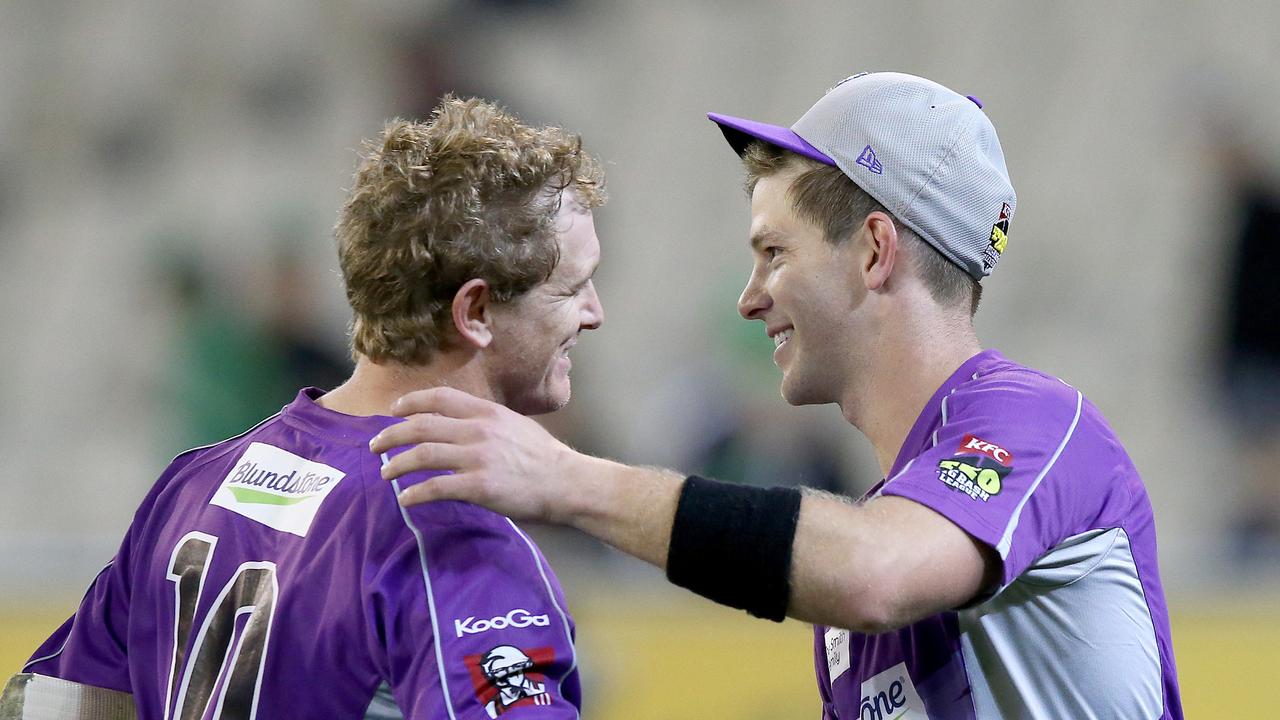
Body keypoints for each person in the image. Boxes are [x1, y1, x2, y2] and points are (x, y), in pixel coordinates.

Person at [370, 72, 1183, 718]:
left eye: (773, 252)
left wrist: (565, 479)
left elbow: (877, 573)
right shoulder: (870, 540)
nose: (749, 298)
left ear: (873, 252)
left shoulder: (1037, 422)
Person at [0, 96, 605, 719]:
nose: (594, 313)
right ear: (474, 312)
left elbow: (53, 708)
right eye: (570, 287)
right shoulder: (448, 536)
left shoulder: (193, 486)